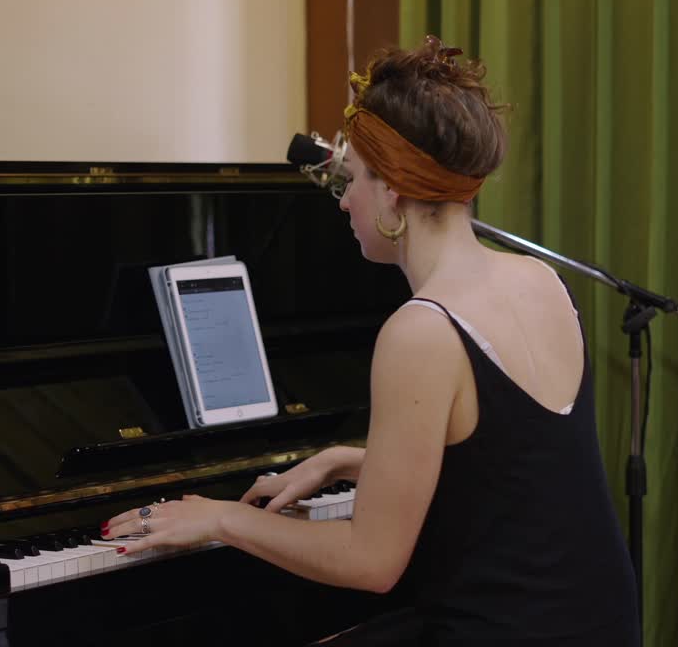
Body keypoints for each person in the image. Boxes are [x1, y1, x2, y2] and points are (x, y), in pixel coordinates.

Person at [103, 36, 640, 645]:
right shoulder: (540, 279)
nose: (343, 201)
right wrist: (341, 459)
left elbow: (371, 562)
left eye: (352, 178)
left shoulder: (422, 329)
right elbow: (506, 466)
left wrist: (220, 517)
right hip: (602, 618)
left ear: (392, 192)